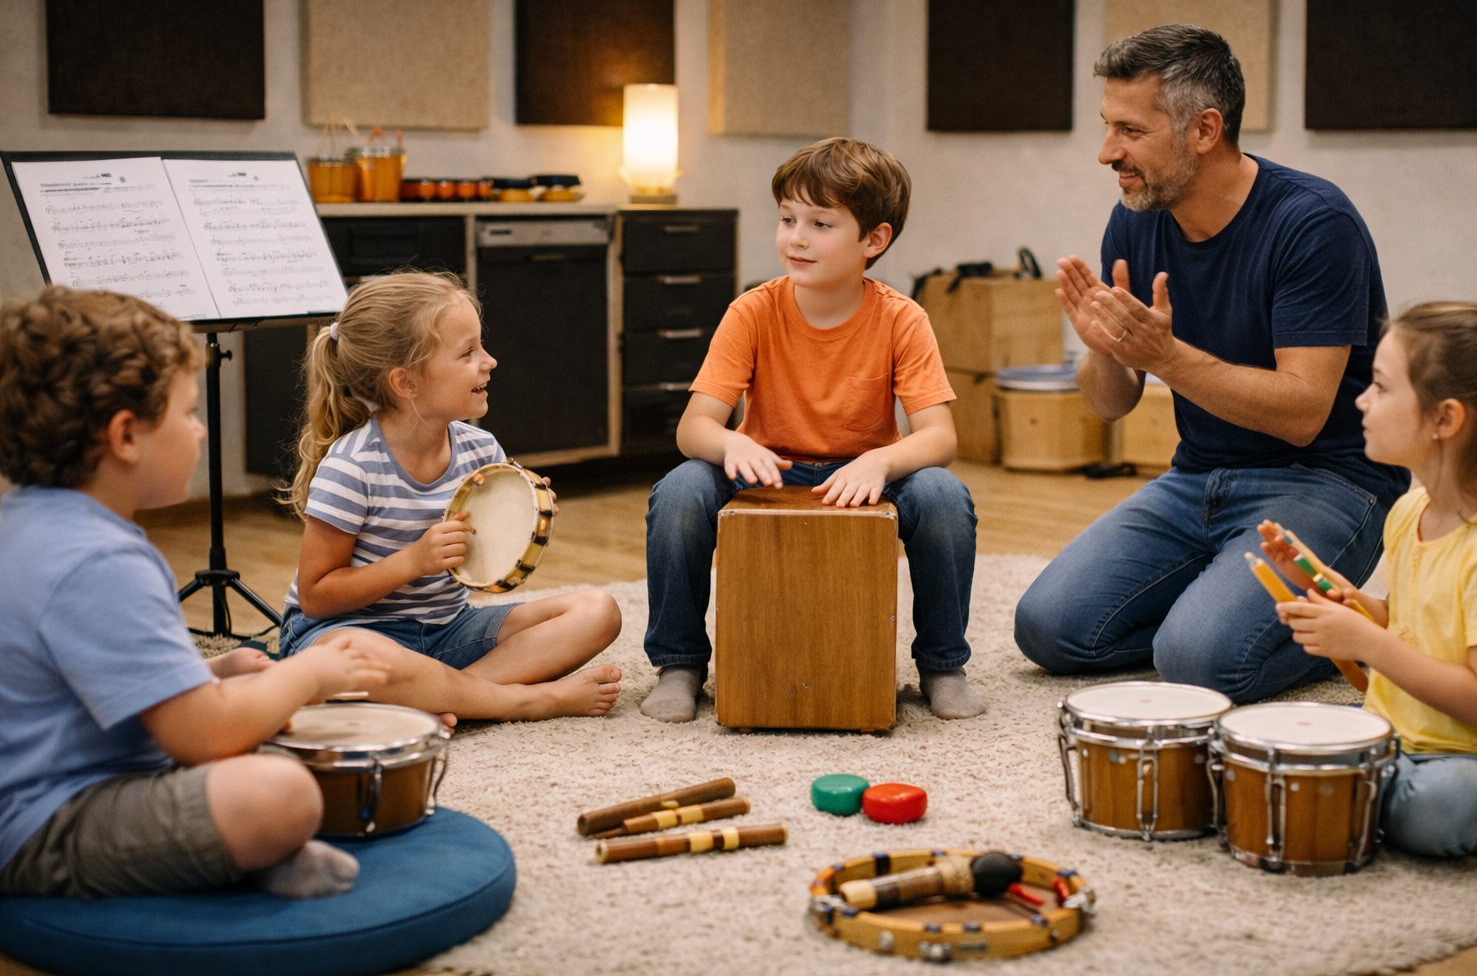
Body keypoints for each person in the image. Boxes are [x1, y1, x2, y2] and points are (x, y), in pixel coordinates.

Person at [1013, 25, 1409, 703]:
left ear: (1204, 129)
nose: (1107, 152)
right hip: (1197, 475)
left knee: (1199, 661)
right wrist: (1106, 350)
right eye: (1108, 126)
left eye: (1130, 131)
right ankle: (1211, 617)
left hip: (1328, 480)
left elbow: (1303, 414)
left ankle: (1367, 634)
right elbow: (1111, 403)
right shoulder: (1135, 217)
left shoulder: (1313, 223)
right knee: (1048, 630)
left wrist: (1167, 357)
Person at [0, 288, 393, 898]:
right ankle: (245, 856)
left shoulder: (28, 523)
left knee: (264, 728)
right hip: (44, 826)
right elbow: (203, 737)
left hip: (51, 787)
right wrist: (310, 673)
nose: (200, 431)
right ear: (125, 436)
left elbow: (95, 680)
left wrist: (210, 673)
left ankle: (235, 853)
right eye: (187, 413)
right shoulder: (102, 561)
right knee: (281, 790)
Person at [639, 137, 982, 724]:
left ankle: (943, 665)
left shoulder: (903, 318)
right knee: (680, 490)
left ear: (874, 240)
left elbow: (939, 438)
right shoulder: (751, 311)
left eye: (820, 224)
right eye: (787, 219)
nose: (796, 237)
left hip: (865, 475)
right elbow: (694, 428)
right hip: (765, 470)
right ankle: (680, 664)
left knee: (944, 495)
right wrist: (732, 442)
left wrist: (881, 461)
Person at [279, 270, 622, 723]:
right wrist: (413, 561)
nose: (489, 361)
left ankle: (442, 698)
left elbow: (482, 565)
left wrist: (520, 518)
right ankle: (523, 702)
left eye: (482, 346)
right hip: (347, 632)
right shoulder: (352, 466)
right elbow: (316, 596)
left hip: (446, 632)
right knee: (359, 653)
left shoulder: (481, 450)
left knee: (598, 611)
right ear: (405, 383)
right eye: (467, 353)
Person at [1265, 302, 1477, 856]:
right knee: (1272, 736)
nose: (1362, 400)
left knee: (1435, 808)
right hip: (1398, 732)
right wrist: (1332, 590)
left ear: (1446, 420)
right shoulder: (1410, 510)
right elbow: (1406, 622)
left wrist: (1366, 642)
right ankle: (1367, 785)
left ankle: (1371, 791)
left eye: (1382, 387)